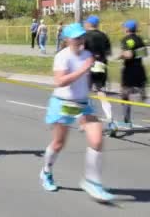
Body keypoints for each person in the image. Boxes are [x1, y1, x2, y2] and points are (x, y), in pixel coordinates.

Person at [39, 23, 113, 202]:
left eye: (82, 36)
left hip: (83, 104)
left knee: (97, 139)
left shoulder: (88, 55)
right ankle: (46, 172)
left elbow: (88, 79)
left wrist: (96, 77)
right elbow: (60, 81)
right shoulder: (62, 57)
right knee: (58, 144)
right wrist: (83, 69)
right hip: (63, 103)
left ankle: (92, 181)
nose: (80, 40)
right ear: (67, 40)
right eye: (76, 37)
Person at [83, 15, 114, 133]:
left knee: (85, 92)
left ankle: (88, 121)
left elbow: (82, 52)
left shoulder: (85, 36)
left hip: (89, 66)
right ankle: (110, 119)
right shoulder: (104, 35)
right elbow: (109, 52)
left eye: (86, 22)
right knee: (101, 92)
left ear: (90, 24)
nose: (85, 24)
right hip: (101, 66)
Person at [118, 20, 147, 130]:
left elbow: (129, 54)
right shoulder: (140, 39)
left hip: (129, 71)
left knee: (124, 95)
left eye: (124, 27)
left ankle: (126, 120)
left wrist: (121, 55)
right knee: (143, 97)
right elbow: (144, 53)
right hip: (140, 70)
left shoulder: (126, 40)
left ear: (127, 29)